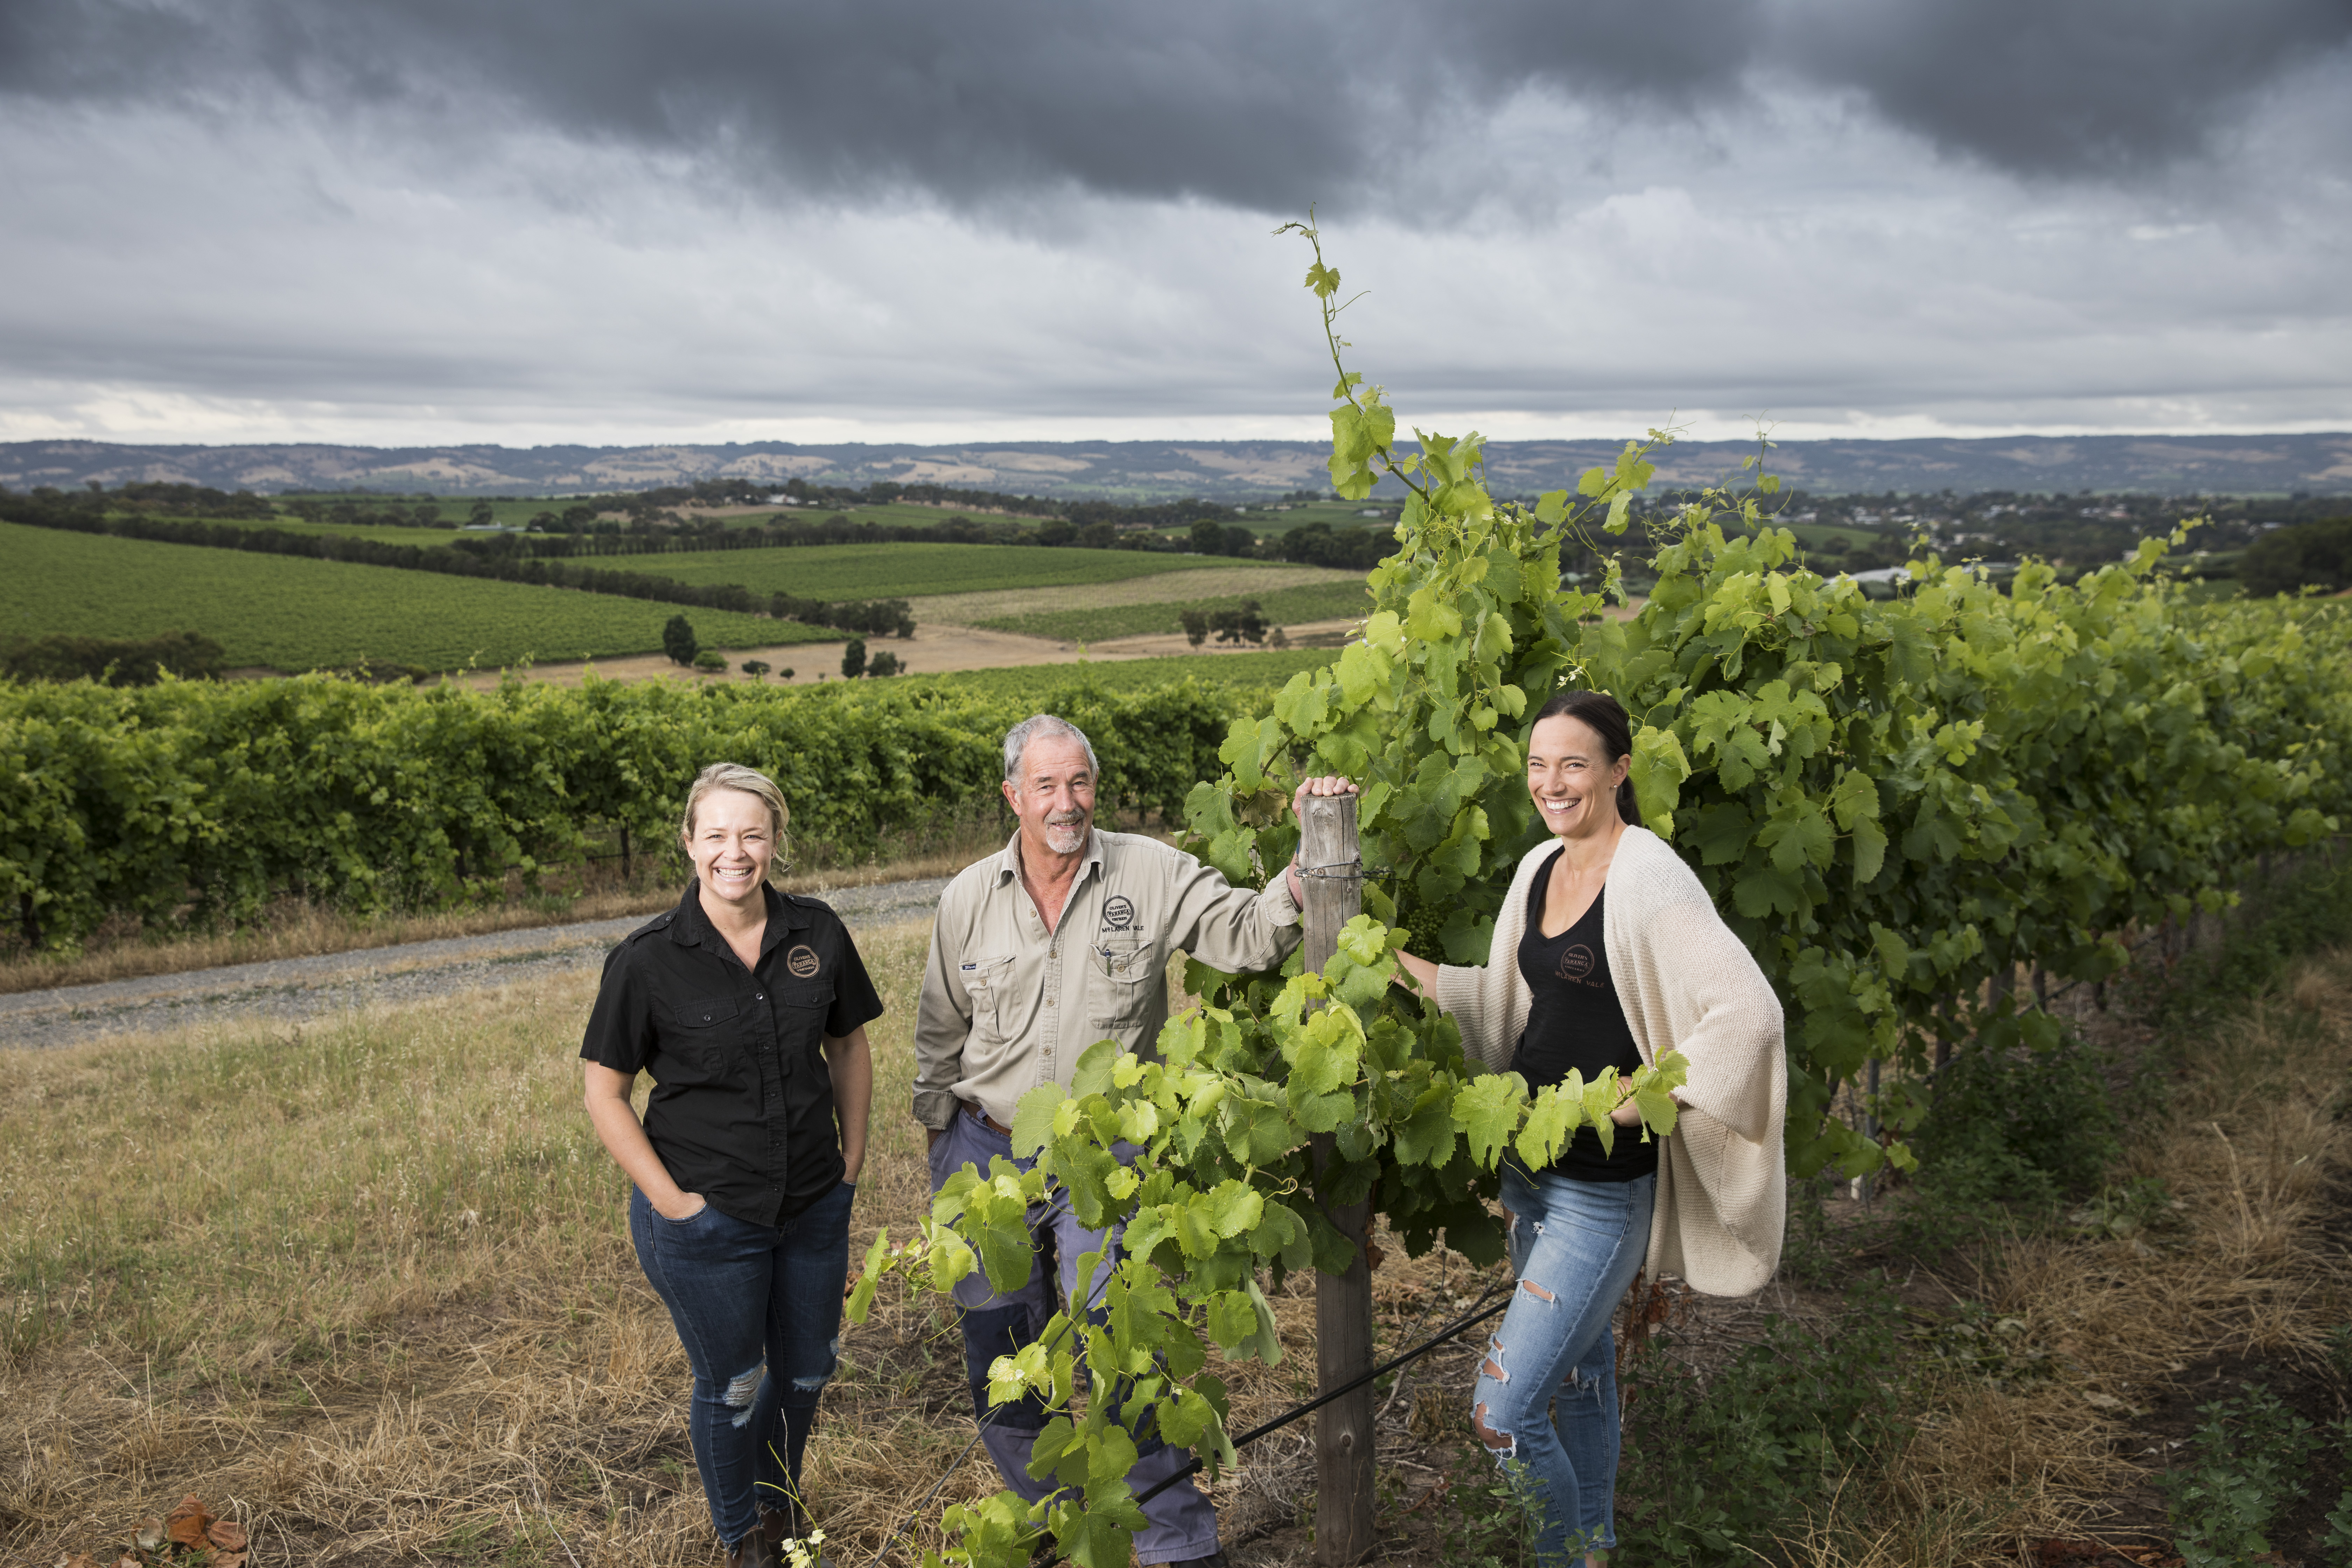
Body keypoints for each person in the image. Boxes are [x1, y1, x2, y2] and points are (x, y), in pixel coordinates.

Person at [913, 713, 1356, 1568]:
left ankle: (1175, 1541)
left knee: (1123, 1348)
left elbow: (1246, 933)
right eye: (1046, 785)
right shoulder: (969, 895)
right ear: (1014, 795)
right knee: (1001, 1358)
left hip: (1108, 1159)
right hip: (984, 1153)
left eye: (1078, 781)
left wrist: (1307, 865)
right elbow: (940, 1029)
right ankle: (1062, 1525)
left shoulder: (1148, 872)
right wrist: (942, 1142)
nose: (1066, 801)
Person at [1390, 689, 1785, 1567]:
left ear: (1618, 769)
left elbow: (1749, 1014)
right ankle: (1595, 1548)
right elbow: (1505, 998)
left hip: (1600, 1193)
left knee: (1499, 1411)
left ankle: (1562, 1556)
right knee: (1578, 1375)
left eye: (1573, 762)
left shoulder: (1648, 875)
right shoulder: (1538, 866)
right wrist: (1384, 955)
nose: (1552, 781)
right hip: (1532, 1174)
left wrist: (1640, 1099)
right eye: (1538, 764)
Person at [583, 763, 882, 1568]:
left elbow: (849, 1042)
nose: (735, 852)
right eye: (716, 834)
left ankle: (783, 1503)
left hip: (816, 1203)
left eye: (752, 833)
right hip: (710, 1220)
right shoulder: (647, 960)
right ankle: (742, 1533)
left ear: (776, 840)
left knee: (808, 1368)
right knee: (737, 1382)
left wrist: (852, 1158)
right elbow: (604, 1089)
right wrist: (671, 1200)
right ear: (689, 842)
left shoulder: (817, 934)